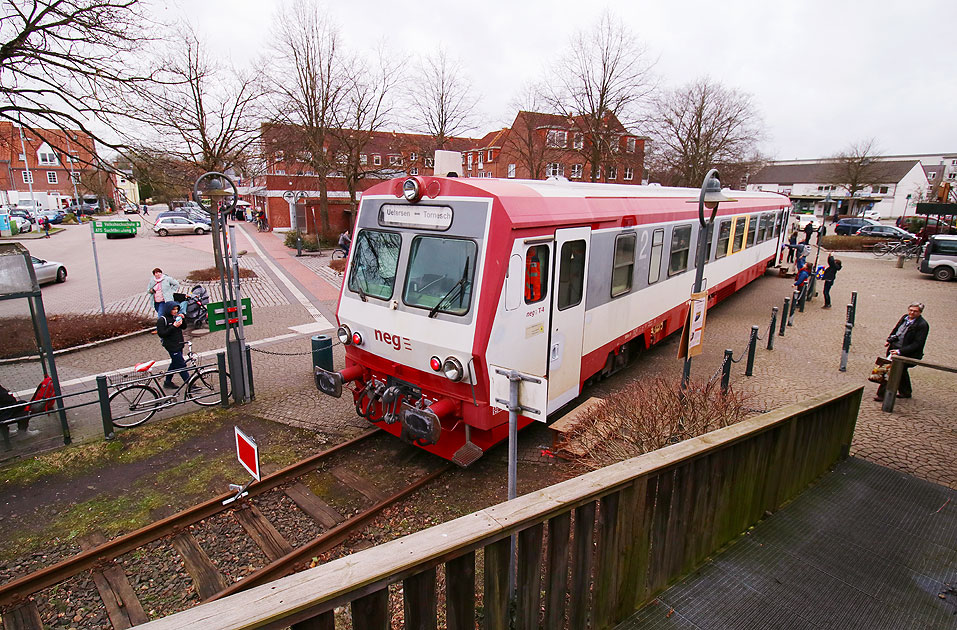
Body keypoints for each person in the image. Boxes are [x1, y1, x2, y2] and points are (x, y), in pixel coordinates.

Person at [875, 302, 929, 401]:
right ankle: (906, 391)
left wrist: (900, 351)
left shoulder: (922, 325)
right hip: (894, 348)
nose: (912, 313)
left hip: (907, 353)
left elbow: (918, 343)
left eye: (915, 311)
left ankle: (882, 394)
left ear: (920, 312)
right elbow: (896, 330)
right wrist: (889, 340)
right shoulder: (905, 318)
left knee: (891, 370)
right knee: (901, 371)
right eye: (910, 310)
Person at [156, 304, 190, 389]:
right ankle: (190, 384)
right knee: (181, 365)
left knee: (175, 363)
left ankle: (168, 382)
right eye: (173, 309)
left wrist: (183, 320)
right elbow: (162, 333)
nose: (175, 311)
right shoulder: (162, 320)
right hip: (171, 346)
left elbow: (184, 327)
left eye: (176, 309)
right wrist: (174, 326)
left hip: (179, 344)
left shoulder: (175, 317)